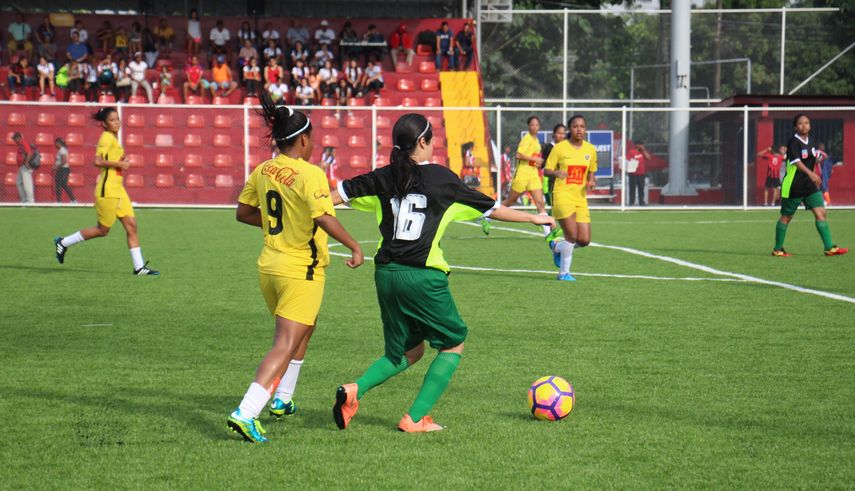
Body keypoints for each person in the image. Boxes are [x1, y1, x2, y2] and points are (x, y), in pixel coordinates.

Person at [330, 113, 555, 433]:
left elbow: (335, 196)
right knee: (453, 342)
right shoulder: (441, 178)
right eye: (432, 138)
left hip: (385, 275)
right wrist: (533, 218)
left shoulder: (383, 175)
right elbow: (491, 209)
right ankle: (415, 418)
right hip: (422, 276)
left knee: (407, 351)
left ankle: (354, 391)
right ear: (423, 142)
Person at [227, 93, 363, 443]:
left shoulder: (263, 169)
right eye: (312, 138)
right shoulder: (310, 173)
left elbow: (243, 213)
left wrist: (283, 223)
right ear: (303, 140)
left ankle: (283, 399)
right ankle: (246, 412)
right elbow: (323, 216)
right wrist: (354, 245)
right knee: (285, 343)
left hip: (270, 266)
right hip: (301, 269)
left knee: (305, 328)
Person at [53, 107, 160, 275]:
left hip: (119, 190)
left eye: (117, 119)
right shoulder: (106, 137)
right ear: (104, 123)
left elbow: (112, 161)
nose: (116, 122)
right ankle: (64, 242)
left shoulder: (114, 139)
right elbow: (97, 161)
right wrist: (119, 164)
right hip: (108, 190)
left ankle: (139, 267)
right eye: (112, 120)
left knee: (132, 226)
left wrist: (122, 161)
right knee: (103, 230)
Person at [773, 114, 847, 257]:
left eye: (806, 123)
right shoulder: (793, 142)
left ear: (810, 126)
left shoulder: (811, 142)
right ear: (795, 127)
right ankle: (777, 249)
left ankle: (829, 248)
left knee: (821, 212)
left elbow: (810, 162)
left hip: (809, 186)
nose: (804, 125)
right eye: (800, 123)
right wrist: (811, 174)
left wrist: (814, 175)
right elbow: (796, 162)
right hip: (794, 185)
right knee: (786, 217)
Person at [543, 114, 598, 281]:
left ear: (585, 129)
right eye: (575, 126)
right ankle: (564, 273)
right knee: (571, 236)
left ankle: (557, 246)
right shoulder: (560, 148)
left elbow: (592, 170)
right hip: (562, 195)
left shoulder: (590, 149)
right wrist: (555, 172)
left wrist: (591, 181)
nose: (579, 129)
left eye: (582, 126)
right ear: (570, 129)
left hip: (580, 198)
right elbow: (546, 170)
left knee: (584, 240)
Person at [494, 116, 549, 235]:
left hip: (533, 174)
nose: (534, 127)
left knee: (540, 203)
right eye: (532, 125)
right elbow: (519, 155)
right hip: (522, 174)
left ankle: (548, 233)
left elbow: (532, 157)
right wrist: (535, 159)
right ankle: (488, 215)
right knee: (510, 201)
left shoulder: (536, 140)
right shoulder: (527, 138)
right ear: (528, 126)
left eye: (536, 125)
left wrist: (537, 162)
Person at [540, 123, 566, 207]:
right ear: (554, 134)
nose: (561, 136)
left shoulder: (566, 147)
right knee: (554, 204)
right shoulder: (549, 148)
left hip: (564, 180)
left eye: (563, 133)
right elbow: (543, 164)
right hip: (551, 180)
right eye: (559, 133)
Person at [12, 132, 36, 204]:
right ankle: (24, 200)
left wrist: (26, 162)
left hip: (25, 166)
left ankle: (30, 201)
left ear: (18, 138)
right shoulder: (20, 145)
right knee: (19, 182)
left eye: (15, 139)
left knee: (27, 184)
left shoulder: (23, 144)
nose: (15, 141)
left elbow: (29, 153)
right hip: (21, 167)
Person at [626, 140, 651, 206]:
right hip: (633, 173)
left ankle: (641, 202)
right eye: (641, 145)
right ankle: (632, 202)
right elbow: (627, 160)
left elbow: (648, 158)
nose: (642, 146)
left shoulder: (643, 152)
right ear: (637, 145)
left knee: (641, 188)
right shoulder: (631, 152)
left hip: (641, 173)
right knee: (632, 188)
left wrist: (643, 150)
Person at [53, 138, 75, 203]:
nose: (55, 145)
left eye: (55, 143)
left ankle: (59, 201)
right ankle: (73, 200)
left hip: (63, 169)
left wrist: (56, 167)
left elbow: (64, 161)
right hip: (63, 169)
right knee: (64, 185)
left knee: (59, 185)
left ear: (58, 143)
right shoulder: (62, 150)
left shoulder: (62, 150)